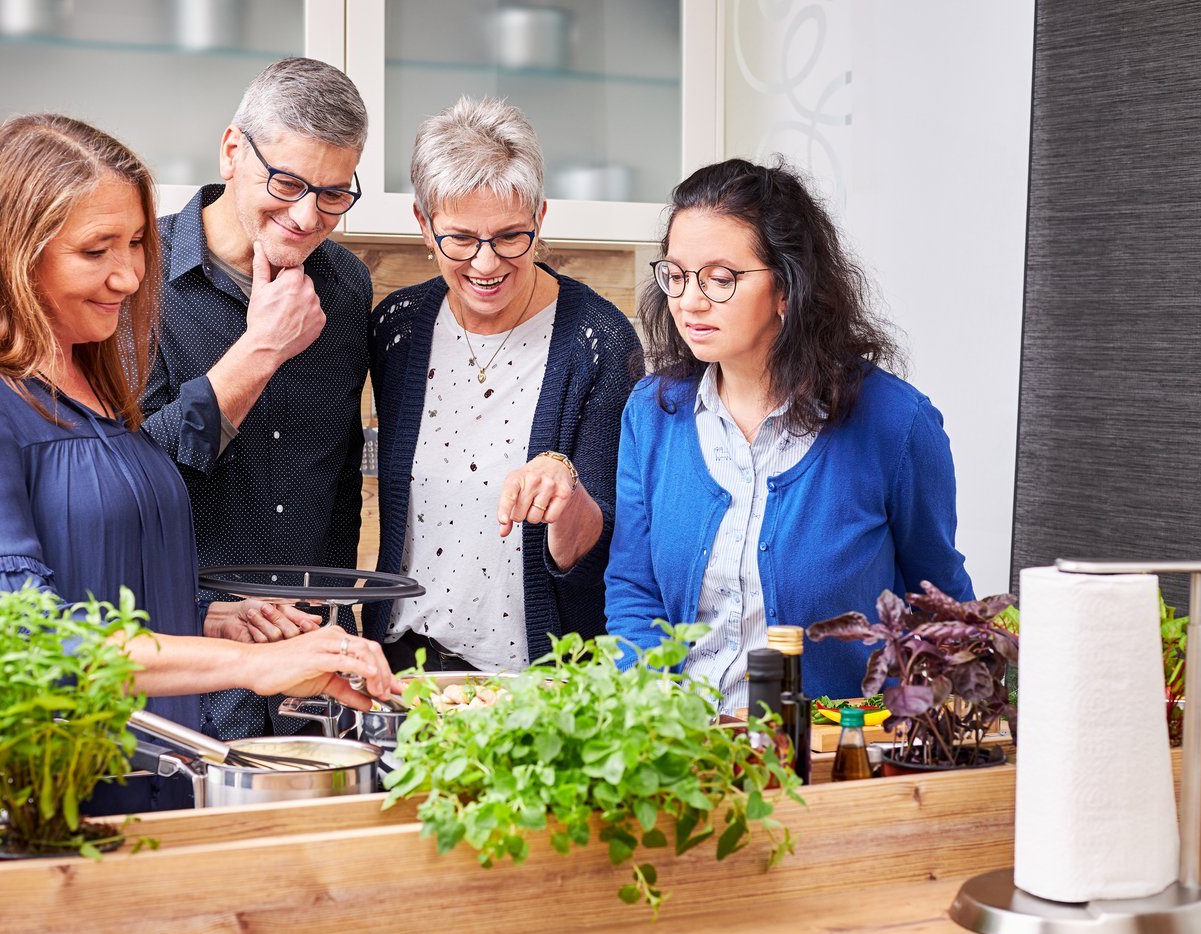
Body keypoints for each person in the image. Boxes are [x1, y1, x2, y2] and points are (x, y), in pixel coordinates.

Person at [0, 114, 394, 808]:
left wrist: (199, 615)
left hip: (139, 776)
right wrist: (258, 663)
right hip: (15, 804)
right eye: (95, 250)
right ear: (4, 250)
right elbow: (27, 643)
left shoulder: (90, 382)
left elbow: (89, 576)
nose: (128, 274)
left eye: (140, 242)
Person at [604, 158, 973, 711]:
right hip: (683, 752)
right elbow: (635, 592)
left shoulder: (894, 424)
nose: (690, 300)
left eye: (720, 279)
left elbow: (938, 605)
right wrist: (658, 715)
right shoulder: (651, 414)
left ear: (788, 288)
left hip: (829, 757)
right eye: (676, 275)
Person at [140, 58, 375, 740]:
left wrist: (337, 618)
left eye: (334, 194)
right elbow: (129, 477)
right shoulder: (137, 276)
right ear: (233, 150)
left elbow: (335, 478)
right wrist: (261, 351)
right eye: (289, 183)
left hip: (315, 682)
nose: (307, 217)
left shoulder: (346, 285)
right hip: (184, 676)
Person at [366, 97, 642, 673]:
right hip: (404, 671)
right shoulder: (399, 327)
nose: (486, 263)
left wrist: (565, 494)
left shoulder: (598, 341)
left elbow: (605, 549)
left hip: (533, 682)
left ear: (540, 219)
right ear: (423, 224)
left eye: (511, 236)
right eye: (461, 238)